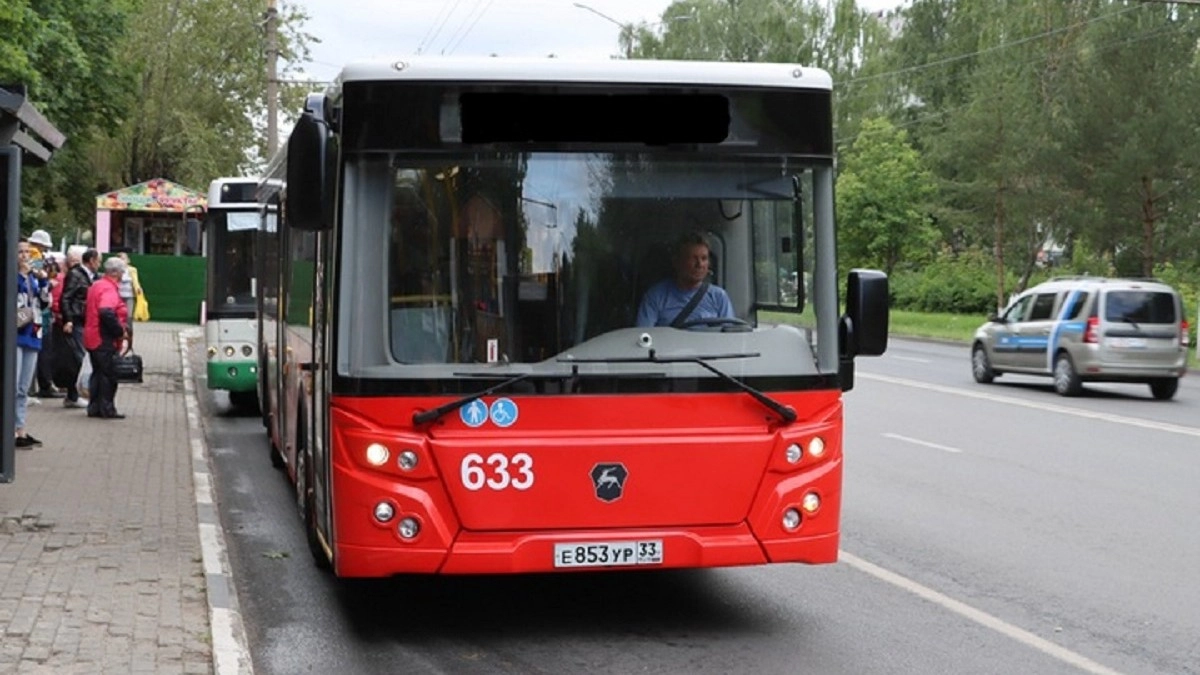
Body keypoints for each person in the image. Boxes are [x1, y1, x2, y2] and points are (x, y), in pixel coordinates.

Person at [636, 232, 735, 328]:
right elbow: (643, 335)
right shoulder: (656, 296)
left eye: (704, 258)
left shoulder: (719, 297)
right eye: (693, 258)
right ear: (677, 262)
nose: (699, 264)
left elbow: (729, 337)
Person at [83, 257, 130, 419]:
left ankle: (94, 407)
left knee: (97, 373)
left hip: (91, 335)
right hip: (103, 338)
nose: (124, 274)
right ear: (116, 273)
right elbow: (106, 311)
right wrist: (118, 331)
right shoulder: (109, 289)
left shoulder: (96, 285)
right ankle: (106, 409)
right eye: (123, 271)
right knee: (108, 375)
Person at [15, 239, 50, 448]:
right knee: (13, 383)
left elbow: (44, 303)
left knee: (23, 387)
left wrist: (44, 281)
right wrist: (23, 274)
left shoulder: (34, 279)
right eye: (21, 252)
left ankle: (21, 429)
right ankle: (10, 430)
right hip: (17, 332)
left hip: (33, 333)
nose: (25, 256)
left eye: (28, 252)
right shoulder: (16, 277)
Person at [58, 246, 98, 408]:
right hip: (76, 321)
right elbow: (66, 297)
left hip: (84, 320)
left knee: (80, 358)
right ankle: (75, 394)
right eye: (98, 261)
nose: (99, 264)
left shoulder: (90, 276)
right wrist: (68, 319)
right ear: (92, 261)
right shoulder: (76, 275)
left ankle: (74, 394)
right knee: (79, 358)